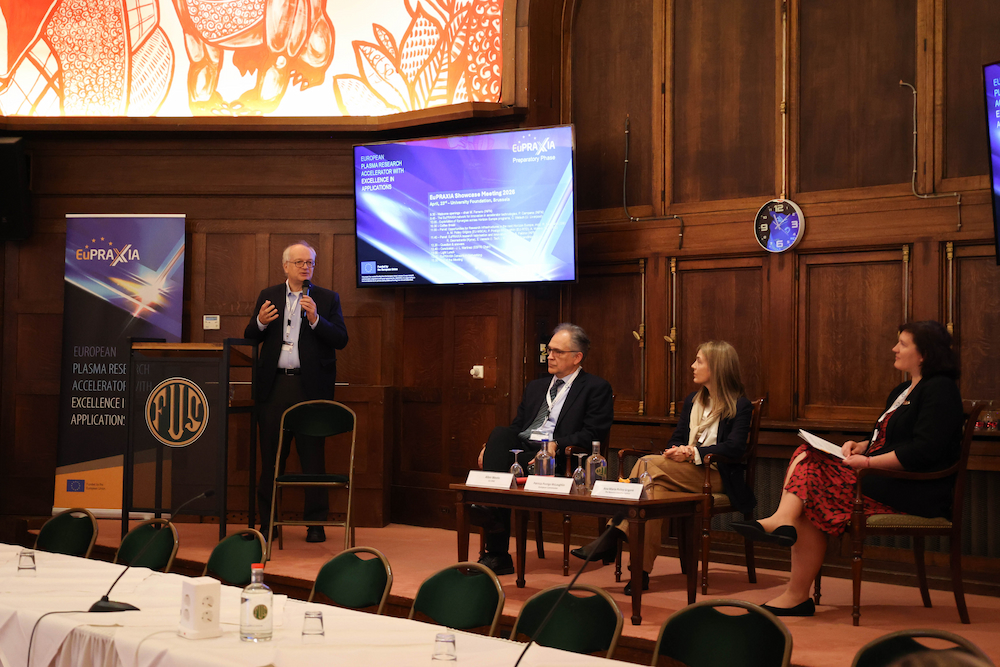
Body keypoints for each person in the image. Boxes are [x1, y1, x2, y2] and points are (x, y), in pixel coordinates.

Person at [732, 321, 963, 617]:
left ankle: (792, 572)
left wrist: (867, 463)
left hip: (913, 489)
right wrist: (862, 445)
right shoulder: (903, 389)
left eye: (902, 344)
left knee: (809, 469)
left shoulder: (940, 389)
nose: (894, 348)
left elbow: (923, 450)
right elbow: (889, 437)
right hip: (883, 479)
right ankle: (788, 547)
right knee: (808, 466)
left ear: (925, 354)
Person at [571, 340, 754, 594]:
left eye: (699, 361)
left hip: (716, 475)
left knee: (647, 464)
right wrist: (675, 449)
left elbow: (734, 448)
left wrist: (692, 452)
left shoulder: (739, 405)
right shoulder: (693, 401)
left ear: (718, 367)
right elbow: (676, 438)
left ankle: (612, 534)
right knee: (650, 494)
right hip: (682, 474)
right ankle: (640, 574)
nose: (692, 365)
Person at [474, 323, 614, 575]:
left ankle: (496, 547)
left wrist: (557, 445)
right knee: (499, 434)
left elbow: (593, 432)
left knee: (501, 472)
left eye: (557, 351)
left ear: (576, 357)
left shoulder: (595, 388)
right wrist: (491, 446)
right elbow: (518, 427)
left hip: (560, 457)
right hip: (525, 449)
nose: (549, 356)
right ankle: (491, 513)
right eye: (549, 350)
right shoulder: (536, 387)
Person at [244, 241, 349, 543]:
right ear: (286, 266)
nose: (306, 267)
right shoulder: (269, 296)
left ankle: (315, 524)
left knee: (312, 457)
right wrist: (260, 324)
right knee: (272, 457)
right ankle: (268, 523)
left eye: (311, 263)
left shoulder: (327, 299)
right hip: (275, 385)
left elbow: (341, 338)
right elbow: (250, 335)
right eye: (300, 262)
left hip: (310, 387)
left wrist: (316, 319)